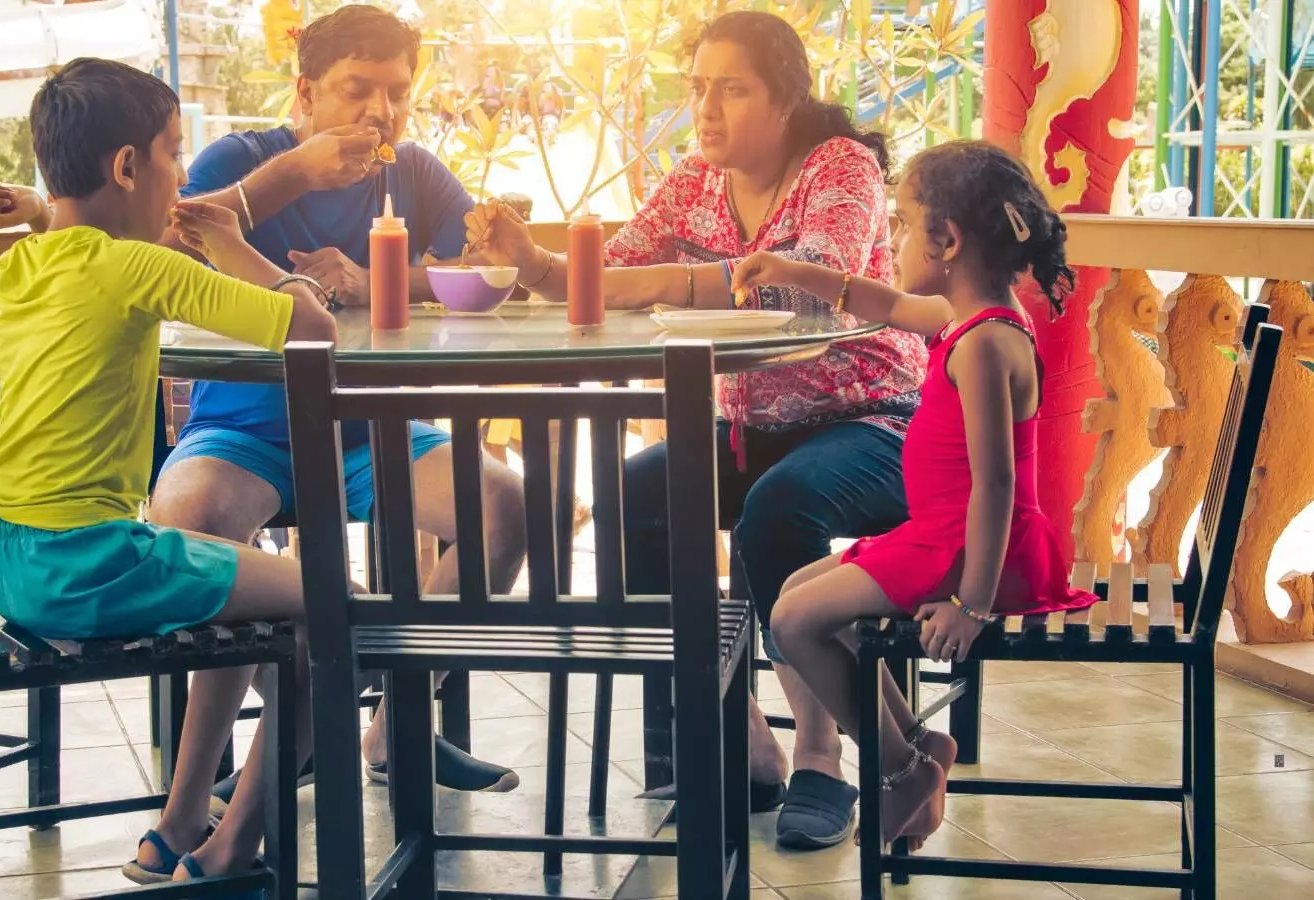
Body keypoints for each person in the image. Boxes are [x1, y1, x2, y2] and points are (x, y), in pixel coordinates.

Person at [0, 3, 528, 806]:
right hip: (242, 429)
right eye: (357, 90)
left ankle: (387, 719)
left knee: (507, 503)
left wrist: (370, 283)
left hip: (365, 431)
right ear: (304, 94)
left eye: (397, 93)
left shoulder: (415, 171)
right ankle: (262, 757)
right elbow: (167, 233)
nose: (381, 112)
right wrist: (293, 177)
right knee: (197, 525)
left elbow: (474, 273)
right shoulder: (241, 159)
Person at [466, 10, 927, 848]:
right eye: (698, 88)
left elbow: (802, 287)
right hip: (751, 430)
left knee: (777, 512)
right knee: (634, 495)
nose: (706, 108)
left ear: (786, 99)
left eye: (732, 89)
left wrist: (668, 283)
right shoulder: (693, 183)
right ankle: (732, 735)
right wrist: (530, 264)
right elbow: (612, 275)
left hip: (873, 422)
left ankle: (826, 752)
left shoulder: (840, 167)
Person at [0, 57, 338, 888]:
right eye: (175, 153)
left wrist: (42, 211)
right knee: (334, 604)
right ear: (128, 167)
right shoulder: (144, 270)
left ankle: (179, 822)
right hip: (89, 565)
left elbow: (64, 238)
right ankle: (235, 843)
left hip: (12, 561)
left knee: (244, 582)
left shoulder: (17, 269)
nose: (184, 173)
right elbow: (311, 327)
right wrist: (231, 241)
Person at [732, 139, 1099, 847]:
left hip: (966, 554)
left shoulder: (985, 345)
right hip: (939, 538)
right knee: (797, 596)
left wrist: (972, 603)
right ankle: (915, 752)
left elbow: (998, 483)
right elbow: (889, 302)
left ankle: (900, 769)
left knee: (796, 624)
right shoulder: (968, 320)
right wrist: (795, 272)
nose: (893, 239)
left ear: (948, 241)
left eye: (902, 223)